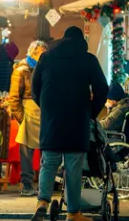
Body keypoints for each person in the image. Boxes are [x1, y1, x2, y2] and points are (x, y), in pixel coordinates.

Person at [32, 26, 109, 221]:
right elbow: (102, 88)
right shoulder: (88, 59)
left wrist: (46, 107)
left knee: (49, 162)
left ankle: (42, 201)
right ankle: (73, 212)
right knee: (73, 167)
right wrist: (90, 111)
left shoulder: (46, 57)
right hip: (77, 118)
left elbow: (35, 88)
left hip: (51, 119)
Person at [8, 40, 47, 196]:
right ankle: (27, 184)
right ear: (34, 53)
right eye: (42, 53)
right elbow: (14, 98)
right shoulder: (21, 70)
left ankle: (44, 184)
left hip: (42, 112)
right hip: (28, 113)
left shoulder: (42, 68)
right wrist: (21, 118)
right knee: (26, 152)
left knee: (46, 150)